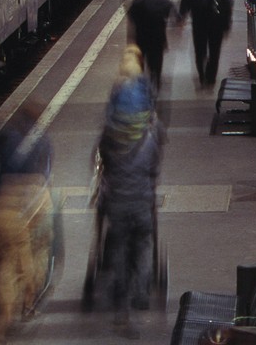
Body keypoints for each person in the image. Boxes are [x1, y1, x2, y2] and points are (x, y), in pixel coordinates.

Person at [0, 101, 52, 342]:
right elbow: (46, 175)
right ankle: (26, 303)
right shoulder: (42, 140)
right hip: (27, 208)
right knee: (36, 253)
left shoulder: (3, 137)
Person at [98, 47, 163, 338]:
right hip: (142, 202)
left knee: (121, 250)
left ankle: (122, 306)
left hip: (117, 203)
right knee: (144, 245)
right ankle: (142, 290)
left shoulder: (109, 138)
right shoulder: (149, 138)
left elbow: (104, 164)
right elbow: (154, 168)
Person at [179, 0, 234, 88]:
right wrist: (227, 23)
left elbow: (184, 4)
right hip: (217, 23)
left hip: (199, 23)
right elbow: (228, 1)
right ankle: (211, 78)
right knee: (215, 51)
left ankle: (202, 76)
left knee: (200, 51)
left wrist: (182, 18)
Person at [126, 0, 176, 89]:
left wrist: (130, 41)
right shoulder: (162, 0)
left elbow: (131, 21)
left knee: (142, 65)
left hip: (141, 40)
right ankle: (156, 83)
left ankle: (143, 86)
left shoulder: (137, 2)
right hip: (158, 39)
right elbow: (174, 13)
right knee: (156, 65)